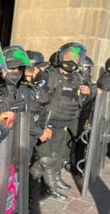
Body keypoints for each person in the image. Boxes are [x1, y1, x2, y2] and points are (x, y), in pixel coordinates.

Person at [32, 42, 92, 199]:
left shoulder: (76, 78)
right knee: (45, 160)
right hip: (47, 125)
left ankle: (52, 184)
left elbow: (87, 93)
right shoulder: (48, 75)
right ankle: (30, 192)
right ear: (60, 56)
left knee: (56, 156)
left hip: (63, 125)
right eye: (69, 56)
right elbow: (36, 98)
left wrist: (88, 91)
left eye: (77, 58)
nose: (73, 60)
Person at [20, 50, 52, 159]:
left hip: (31, 138)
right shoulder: (21, 90)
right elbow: (23, 117)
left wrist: (44, 128)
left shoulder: (32, 87)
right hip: (22, 140)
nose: (42, 72)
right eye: (39, 68)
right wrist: (40, 132)